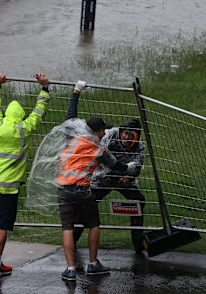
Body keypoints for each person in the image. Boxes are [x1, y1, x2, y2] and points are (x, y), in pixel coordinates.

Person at [58, 80, 137, 281]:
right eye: (103, 130)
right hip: (83, 191)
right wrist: (130, 168)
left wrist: (76, 92)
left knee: (67, 228)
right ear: (97, 131)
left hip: (63, 190)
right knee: (93, 224)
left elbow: (70, 116)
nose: (104, 133)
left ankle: (70, 269)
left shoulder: (73, 135)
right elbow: (115, 165)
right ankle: (93, 264)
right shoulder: (97, 147)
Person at [0, 72, 50, 277]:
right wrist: (44, 89)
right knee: (2, 225)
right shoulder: (24, 129)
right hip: (8, 187)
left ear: (7, 114)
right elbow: (38, 112)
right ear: (20, 116)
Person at [73, 118, 147, 254]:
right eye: (125, 133)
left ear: (136, 137)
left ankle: (138, 243)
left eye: (131, 136)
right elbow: (100, 154)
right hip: (103, 177)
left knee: (139, 201)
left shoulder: (140, 148)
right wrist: (112, 172)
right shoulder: (110, 135)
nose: (126, 137)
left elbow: (137, 167)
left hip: (124, 180)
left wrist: (129, 177)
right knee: (87, 204)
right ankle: (72, 239)